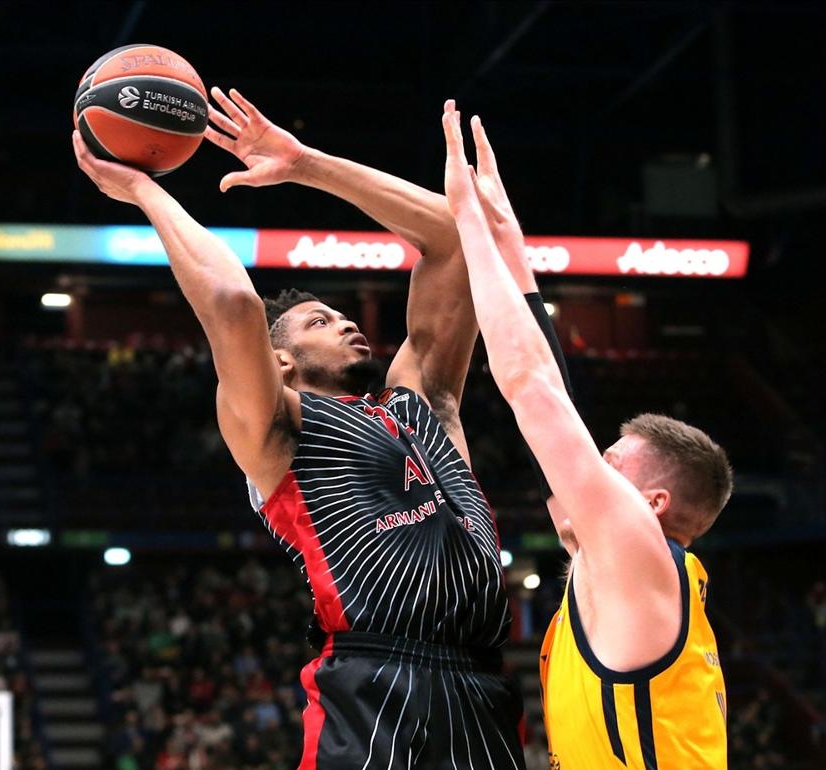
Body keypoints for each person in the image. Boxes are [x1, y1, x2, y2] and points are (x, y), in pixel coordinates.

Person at [73, 86, 525, 770]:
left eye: (340, 315)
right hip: (375, 695)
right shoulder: (279, 432)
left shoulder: (423, 401)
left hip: (484, 688)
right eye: (319, 321)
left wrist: (304, 163)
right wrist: (144, 191)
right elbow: (230, 300)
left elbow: (454, 240)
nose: (346, 321)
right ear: (279, 361)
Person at [442, 102, 733, 769]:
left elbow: (532, 389)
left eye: (612, 462)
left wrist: (464, 221)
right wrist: (510, 241)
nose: (591, 465)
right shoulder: (633, 571)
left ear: (652, 505)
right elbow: (554, 388)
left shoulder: (639, 555)